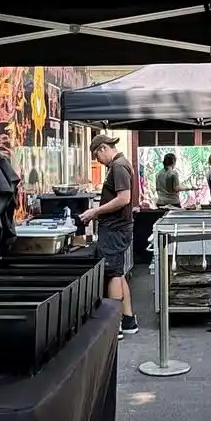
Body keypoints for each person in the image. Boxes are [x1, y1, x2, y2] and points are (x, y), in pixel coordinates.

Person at [81, 133, 138, 338]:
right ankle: (128, 320)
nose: (98, 161)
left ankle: (116, 325)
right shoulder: (118, 165)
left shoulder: (119, 166)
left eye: (97, 155)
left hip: (115, 229)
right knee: (119, 273)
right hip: (116, 228)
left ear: (104, 148)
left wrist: (95, 212)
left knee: (112, 274)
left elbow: (124, 198)